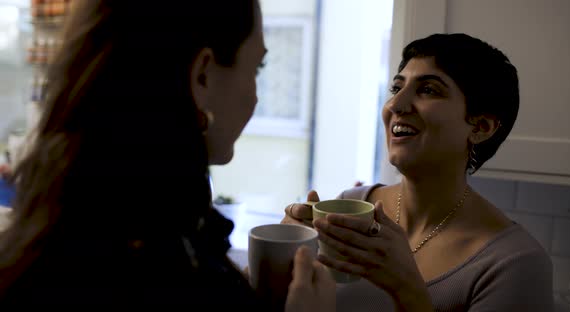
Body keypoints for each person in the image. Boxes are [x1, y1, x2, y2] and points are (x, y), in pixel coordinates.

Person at [0, 0, 336, 309]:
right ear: (202, 76)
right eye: (256, 69)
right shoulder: (164, 263)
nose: (256, 98)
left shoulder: (70, 219)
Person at [283, 33, 553, 311]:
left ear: (480, 127)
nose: (395, 105)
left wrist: (406, 288)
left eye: (429, 90)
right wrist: (284, 259)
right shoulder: (350, 206)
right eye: (396, 88)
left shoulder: (515, 264)